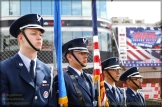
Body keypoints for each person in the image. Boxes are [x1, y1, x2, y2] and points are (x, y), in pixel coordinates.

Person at [0, 14, 57, 107]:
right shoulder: (4, 69)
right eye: (33, 33)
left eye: (40, 34)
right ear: (20, 38)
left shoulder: (47, 70)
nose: (39, 38)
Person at [54, 37, 97, 107]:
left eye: (86, 53)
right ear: (69, 57)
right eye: (81, 53)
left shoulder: (88, 77)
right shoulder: (63, 78)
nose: (86, 56)